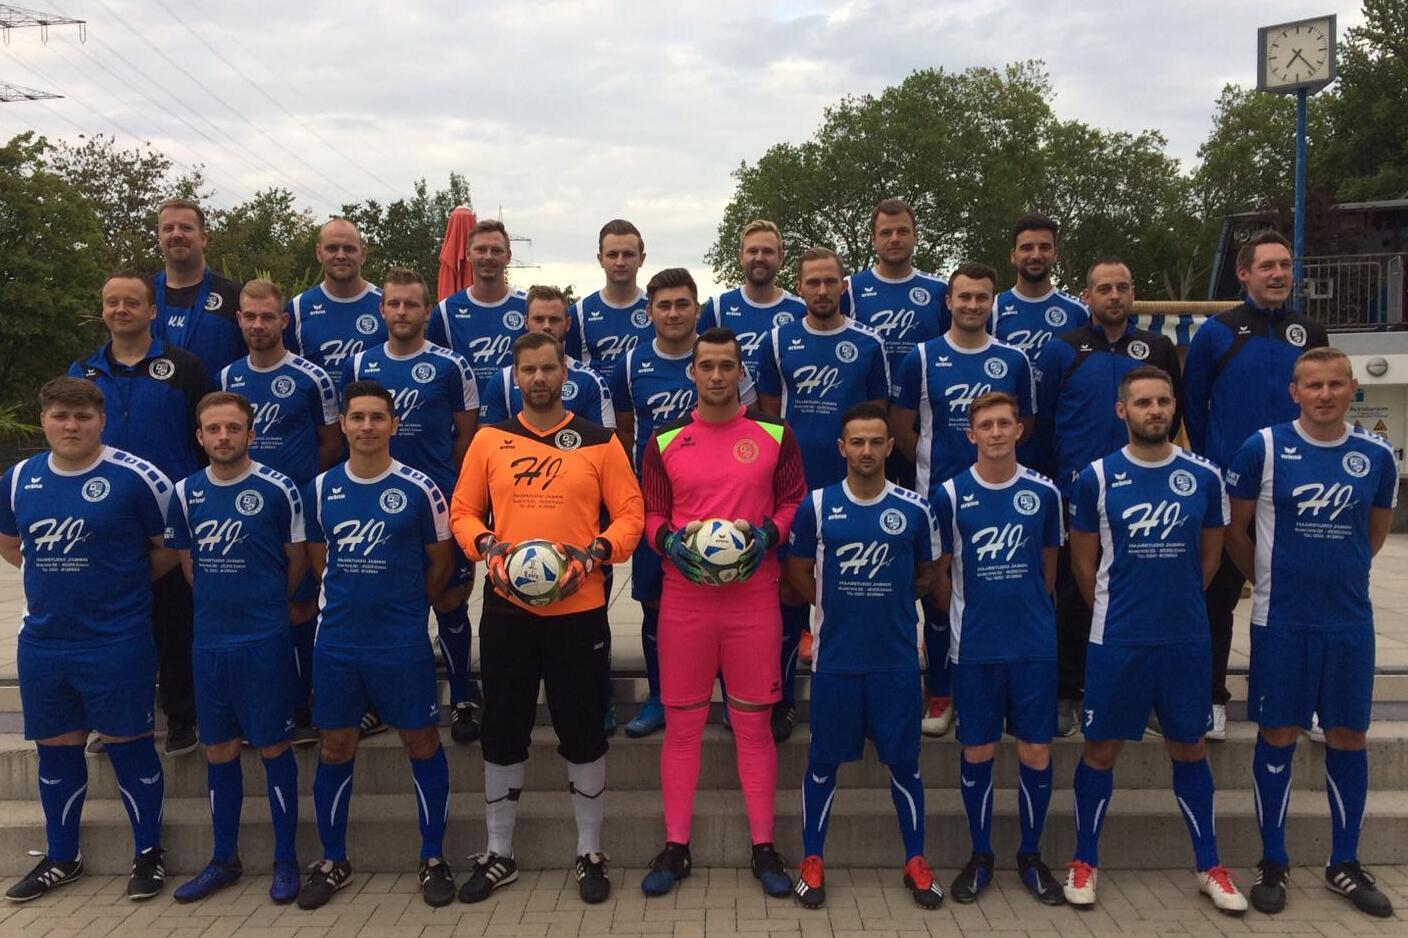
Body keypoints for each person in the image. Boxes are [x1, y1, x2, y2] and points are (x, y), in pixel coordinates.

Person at [450, 332, 644, 905]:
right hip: (509, 612)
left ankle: (589, 852)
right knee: (502, 728)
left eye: (548, 369)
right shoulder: (490, 440)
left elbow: (630, 513)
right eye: (528, 370)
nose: (538, 379)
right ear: (515, 377)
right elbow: (462, 511)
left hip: (579, 613)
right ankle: (500, 852)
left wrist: (597, 553)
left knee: (582, 731)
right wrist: (487, 547)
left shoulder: (599, 442)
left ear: (566, 374)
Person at [1061, 365, 1245, 914]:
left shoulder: (1204, 476)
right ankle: (1084, 859)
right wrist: (1118, 615)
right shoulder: (1095, 476)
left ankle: (1209, 864)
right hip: (1117, 639)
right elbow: (1083, 565)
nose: (1155, 410)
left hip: (1185, 639)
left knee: (1188, 746)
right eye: (1143, 402)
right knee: (1101, 750)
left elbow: (1210, 560)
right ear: (1123, 411)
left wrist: (1175, 606)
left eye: (1163, 401)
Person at [1225, 348, 1396, 918]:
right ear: (1294, 391)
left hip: (1348, 622)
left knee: (1348, 737)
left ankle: (1343, 862)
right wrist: (1269, 580)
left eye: (1335, 384)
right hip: (1281, 623)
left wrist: (1335, 577)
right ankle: (1273, 861)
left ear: (1351, 389)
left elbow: (1372, 536)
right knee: (1276, 736)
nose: (1325, 394)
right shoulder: (1265, 448)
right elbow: (1236, 530)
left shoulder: (1375, 456)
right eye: (1313, 385)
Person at [637, 326, 805, 899]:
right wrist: (668, 544)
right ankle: (676, 848)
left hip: (753, 601)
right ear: (692, 372)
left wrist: (769, 536)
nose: (715, 376)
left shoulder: (774, 435)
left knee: (753, 727)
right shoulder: (662, 442)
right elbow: (652, 515)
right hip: (685, 603)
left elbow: (792, 499)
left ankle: (764, 848)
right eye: (704, 366)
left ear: (740, 373)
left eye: (725, 366)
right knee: (682, 727)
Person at [0, 377, 176, 902]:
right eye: (60, 416)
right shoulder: (18, 478)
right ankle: (61, 857)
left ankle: (148, 854)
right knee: (56, 753)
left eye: (81, 417)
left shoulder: (137, 477)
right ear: (44, 421)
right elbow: (11, 543)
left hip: (117, 641)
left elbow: (168, 548)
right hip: (45, 644)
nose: (71, 425)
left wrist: (118, 581)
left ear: (101, 420)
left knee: (130, 749)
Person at [298, 381, 457, 910]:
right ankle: (333, 858)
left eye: (377, 417)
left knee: (422, 743)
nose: (367, 427)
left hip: (401, 644)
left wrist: (412, 609)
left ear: (392, 424)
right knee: (336, 746)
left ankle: (433, 857)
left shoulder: (420, 488)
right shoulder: (320, 488)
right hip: (338, 643)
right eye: (357, 417)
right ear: (341, 424)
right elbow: (321, 558)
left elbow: (440, 561)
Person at [786, 402, 944, 910]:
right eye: (858, 442)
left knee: (905, 764)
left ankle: (915, 859)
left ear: (890, 446)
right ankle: (813, 857)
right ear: (841, 447)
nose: (868, 450)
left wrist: (891, 607)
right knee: (822, 763)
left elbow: (927, 575)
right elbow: (798, 574)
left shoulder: (915, 510)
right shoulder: (817, 505)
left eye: (877, 441)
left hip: (894, 663)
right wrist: (834, 610)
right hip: (836, 663)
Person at [165, 392, 307, 904]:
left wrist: (267, 607)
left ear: (249, 433)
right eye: (213, 429)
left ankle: (286, 859)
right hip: (209, 644)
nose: (223, 437)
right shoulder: (183, 492)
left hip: (264, 642)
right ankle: (224, 858)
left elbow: (296, 561)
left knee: (273, 747)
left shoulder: (278, 488)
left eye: (233, 428)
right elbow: (189, 565)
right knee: (219, 749)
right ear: (200, 437)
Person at [1183, 230, 1328, 732]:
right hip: (1230, 491)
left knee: (1295, 600)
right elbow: (1193, 407)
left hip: (1296, 492)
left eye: (1285, 265)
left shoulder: (1310, 331)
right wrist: (1213, 467)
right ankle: (1211, 698)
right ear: (1244, 274)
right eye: (1266, 266)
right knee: (1216, 599)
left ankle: (1297, 698)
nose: (1277, 274)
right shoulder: (1216, 333)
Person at [1032, 258, 1182, 738]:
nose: (1114, 296)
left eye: (1122, 287)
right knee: (1073, 595)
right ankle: (1067, 690)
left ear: (1132, 292)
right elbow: (1046, 421)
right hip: (1077, 491)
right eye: (1104, 288)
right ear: (1087, 296)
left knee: (1145, 593)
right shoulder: (1064, 350)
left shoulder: (1155, 348)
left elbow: (1170, 416)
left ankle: (1147, 693)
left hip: (1141, 495)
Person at [610, 269, 758, 738]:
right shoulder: (631, 364)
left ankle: (733, 695)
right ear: (649, 311)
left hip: (725, 499)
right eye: (664, 305)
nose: (673, 313)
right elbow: (626, 430)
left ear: (698, 308)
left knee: (727, 596)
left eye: (682, 304)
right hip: (660, 504)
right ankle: (659, 696)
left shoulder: (725, 358)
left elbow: (748, 424)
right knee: (655, 603)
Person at [890, 262, 1035, 738]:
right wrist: (937, 469)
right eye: (964, 296)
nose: (973, 305)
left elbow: (1024, 427)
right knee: (937, 592)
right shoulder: (923, 358)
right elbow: (902, 427)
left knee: (997, 590)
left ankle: (999, 690)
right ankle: (941, 693)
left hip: (999, 497)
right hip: (938, 496)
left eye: (982, 297)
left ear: (993, 303)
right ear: (948, 302)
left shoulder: (1013, 361)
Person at [70, 271, 212, 757]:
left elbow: (206, 437)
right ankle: (113, 718)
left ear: (153, 311)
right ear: (104, 309)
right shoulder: (83, 373)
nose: (121, 309)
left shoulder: (184, 367)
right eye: (112, 302)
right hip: (104, 515)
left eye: (132, 302)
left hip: (170, 512)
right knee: (112, 624)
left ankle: (181, 716)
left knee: (175, 619)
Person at [933, 392, 1064, 906]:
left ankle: (1030, 856)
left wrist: (1031, 612)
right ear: (971, 434)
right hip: (976, 647)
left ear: (1018, 430)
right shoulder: (949, 494)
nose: (994, 432)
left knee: (1035, 750)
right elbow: (941, 574)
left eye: (1004, 423)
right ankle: (981, 854)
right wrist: (967, 615)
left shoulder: (1044, 493)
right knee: (978, 749)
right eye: (984, 424)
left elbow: (1048, 568)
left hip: (1033, 645)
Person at [343, 268, 481, 743]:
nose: (402, 312)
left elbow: (466, 433)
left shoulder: (450, 365)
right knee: (386, 601)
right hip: (375, 506)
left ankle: (464, 696)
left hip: (439, 499)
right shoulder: (360, 364)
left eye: (412, 304)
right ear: (381, 310)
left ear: (427, 311)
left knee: (448, 597)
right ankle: (379, 702)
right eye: (394, 304)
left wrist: (456, 491)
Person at [757, 246, 889, 739]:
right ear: (801, 285)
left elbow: (878, 418)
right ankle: (782, 699)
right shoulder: (778, 340)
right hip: (793, 489)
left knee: (857, 592)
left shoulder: (868, 343)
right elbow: (769, 417)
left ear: (843, 286)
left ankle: (866, 702)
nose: (821, 290)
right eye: (812, 282)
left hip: (852, 489)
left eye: (830, 282)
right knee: (791, 593)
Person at [221, 279, 340, 743]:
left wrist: (302, 492)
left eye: (267, 316)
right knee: (252, 605)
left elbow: (330, 442)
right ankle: (262, 704)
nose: (257, 324)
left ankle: (305, 704)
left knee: (301, 606)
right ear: (239, 321)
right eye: (249, 316)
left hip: (299, 511)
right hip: (242, 514)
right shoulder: (229, 377)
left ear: (283, 321)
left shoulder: (312, 377)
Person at [480, 285, 615, 428]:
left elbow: (605, 444)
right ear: (526, 322)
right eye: (539, 319)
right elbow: (487, 443)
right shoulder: (502, 381)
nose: (546, 326)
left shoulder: (591, 382)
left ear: (568, 323)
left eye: (554, 320)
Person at [284, 218, 386, 398]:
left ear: (363, 253)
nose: (341, 255)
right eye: (332, 248)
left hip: (372, 422)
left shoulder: (387, 305)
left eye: (349, 249)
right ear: (318, 252)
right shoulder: (298, 309)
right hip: (319, 423)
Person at [700, 220, 806, 381]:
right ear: (741, 256)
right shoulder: (717, 307)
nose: (760, 258)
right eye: (752, 251)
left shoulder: (801, 309)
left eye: (768, 252)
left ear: (781, 257)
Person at [151, 198, 245, 377]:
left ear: (203, 238)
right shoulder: (142, 295)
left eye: (186, 228)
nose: (177, 235)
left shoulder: (235, 296)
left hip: (215, 403)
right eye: (168, 228)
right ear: (159, 238)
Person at [430, 218, 528, 389]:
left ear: (508, 256)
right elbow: (437, 371)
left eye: (496, 250)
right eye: (481, 249)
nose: (488, 256)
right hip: (467, 414)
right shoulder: (446, 312)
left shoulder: (528, 306)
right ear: (468, 254)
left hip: (519, 413)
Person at [989, 213, 1089, 360]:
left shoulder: (1079, 311)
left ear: (1055, 254)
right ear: (1013, 255)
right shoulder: (993, 309)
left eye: (1044, 247)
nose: (1036, 255)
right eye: (1027, 248)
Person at [565, 219, 652, 386]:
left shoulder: (657, 309)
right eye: (612, 255)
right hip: (597, 408)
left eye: (628, 254)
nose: (620, 262)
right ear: (600, 259)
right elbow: (570, 371)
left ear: (641, 258)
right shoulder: (579, 313)